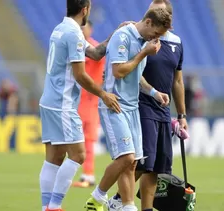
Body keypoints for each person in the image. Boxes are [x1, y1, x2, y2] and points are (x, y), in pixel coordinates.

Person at [38, 0, 126, 210]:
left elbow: (95, 54)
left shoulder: (60, 29)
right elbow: (80, 75)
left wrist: (115, 34)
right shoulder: (74, 34)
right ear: (85, 9)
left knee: (54, 157)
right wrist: (103, 94)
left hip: (49, 100)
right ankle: (54, 206)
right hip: (63, 103)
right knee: (78, 155)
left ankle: (46, 208)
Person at [85, 7, 172, 211]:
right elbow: (119, 71)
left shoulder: (143, 41)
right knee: (126, 157)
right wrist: (143, 54)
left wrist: (154, 93)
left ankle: (127, 206)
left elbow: (136, 74)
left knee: (133, 163)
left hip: (132, 107)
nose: (156, 38)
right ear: (149, 22)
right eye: (157, 33)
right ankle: (97, 197)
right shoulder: (123, 36)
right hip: (114, 104)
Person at [107, 1, 188, 211]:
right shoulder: (140, 36)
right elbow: (127, 68)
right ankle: (119, 200)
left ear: (168, 19)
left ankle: (145, 208)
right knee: (141, 161)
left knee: (156, 166)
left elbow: (177, 80)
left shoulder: (176, 43)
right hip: (140, 105)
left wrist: (181, 114)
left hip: (162, 107)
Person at [73, 20, 105, 188]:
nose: (82, 29)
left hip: (91, 99)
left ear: (90, 29)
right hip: (79, 99)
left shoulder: (94, 49)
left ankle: (88, 175)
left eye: (84, 26)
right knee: (78, 138)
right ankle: (85, 174)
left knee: (88, 138)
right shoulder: (77, 47)